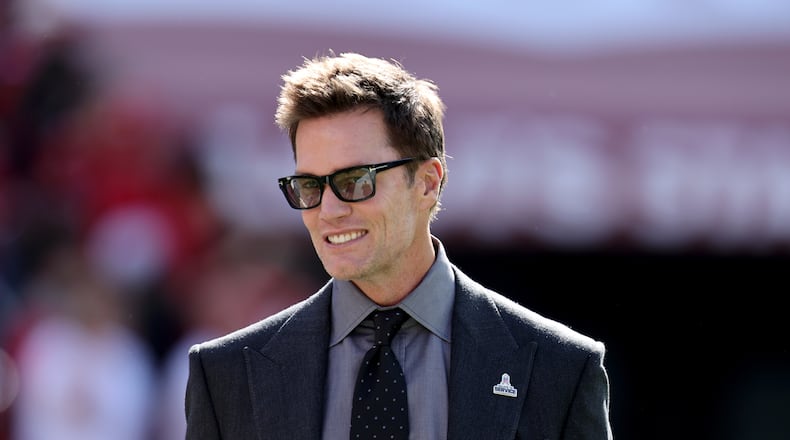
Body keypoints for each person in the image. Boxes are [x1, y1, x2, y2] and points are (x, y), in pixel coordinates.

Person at [185, 52, 613, 439]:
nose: (328, 210)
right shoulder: (226, 374)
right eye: (309, 185)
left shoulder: (561, 369)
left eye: (355, 181)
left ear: (428, 182)